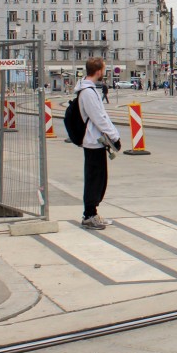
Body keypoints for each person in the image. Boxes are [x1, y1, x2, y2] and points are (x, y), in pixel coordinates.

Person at [76, 57, 121, 230]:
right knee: (94, 179)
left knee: (99, 179)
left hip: (97, 141)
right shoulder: (87, 92)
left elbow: (101, 116)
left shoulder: (90, 89)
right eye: (104, 69)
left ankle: (93, 213)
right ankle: (89, 215)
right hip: (93, 141)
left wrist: (112, 135)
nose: (105, 72)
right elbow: (98, 117)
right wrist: (114, 136)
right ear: (99, 71)